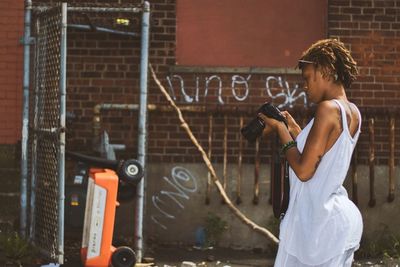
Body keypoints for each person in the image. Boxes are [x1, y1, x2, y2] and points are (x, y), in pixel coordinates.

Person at [259, 39, 363, 266]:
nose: (304, 86)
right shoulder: (352, 111)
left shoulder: (327, 109)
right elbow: (323, 155)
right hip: (339, 221)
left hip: (318, 226)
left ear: (326, 71)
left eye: (307, 78)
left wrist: (279, 130)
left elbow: (305, 171)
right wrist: (295, 130)